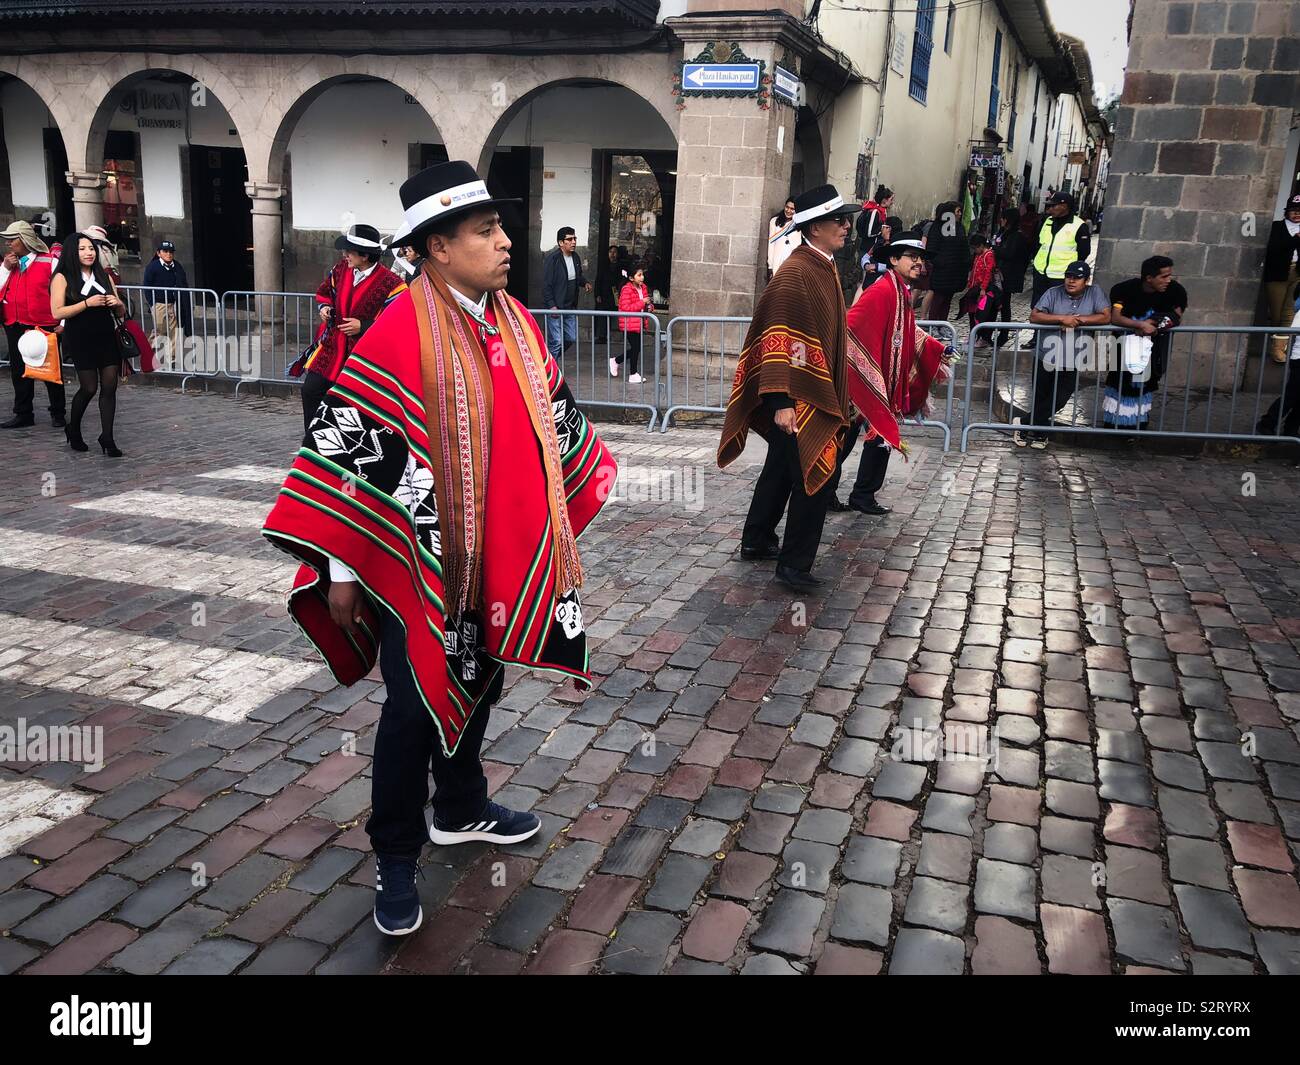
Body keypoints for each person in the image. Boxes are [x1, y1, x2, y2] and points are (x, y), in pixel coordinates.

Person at [261, 160, 616, 937]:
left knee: (480, 678)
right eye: (485, 231)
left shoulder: (513, 321)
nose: (503, 242)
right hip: (411, 558)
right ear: (435, 247)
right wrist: (345, 568)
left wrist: (567, 492)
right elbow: (351, 452)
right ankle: (394, 850)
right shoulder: (399, 327)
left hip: (491, 555)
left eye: (500, 227)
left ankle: (459, 806)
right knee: (412, 704)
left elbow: (550, 419)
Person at [718, 184, 858, 592]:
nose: (846, 226)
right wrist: (780, 402)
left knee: (779, 470)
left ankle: (757, 539)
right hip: (799, 398)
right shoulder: (797, 273)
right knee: (815, 478)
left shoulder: (822, 264)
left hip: (806, 392)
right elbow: (777, 341)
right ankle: (794, 566)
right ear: (814, 228)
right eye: (838, 220)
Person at [836, 232, 954, 514]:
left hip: (879, 378)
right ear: (893, 259)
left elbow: (908, 332)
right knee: (867, 436)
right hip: (866, 379)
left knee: (864, 437)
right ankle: (854, 494)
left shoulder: (899, 290)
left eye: (921, 259)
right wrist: (863, 363)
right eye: (912, 257)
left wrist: (936, 348)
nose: (919, 263)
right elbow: (849, 324)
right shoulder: (883, 289)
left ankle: (856, 494)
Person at [291, 223, 407, 431]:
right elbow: (325, 291)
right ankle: (312, 443)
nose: (345, 254)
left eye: (350, 251)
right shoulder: (340, 270)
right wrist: (325, 306)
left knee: (348, 405)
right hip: (331, 349)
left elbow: (401, 320)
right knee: (311, 391)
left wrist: (364, 326)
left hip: (362, 355)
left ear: (365, 255)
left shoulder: (392, 283)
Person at [1016, 260, 1111, 449]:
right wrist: (1061, 318)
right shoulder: (1053, 293)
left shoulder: (1095, 293)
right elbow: (1035, 316)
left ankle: (1023, 423)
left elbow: (1105, 316)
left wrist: (1078, 321)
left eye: (1077, 278)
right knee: (1041, 397)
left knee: (1059, 399)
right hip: (1046, 355)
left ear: (1086, 280)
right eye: (1068, 276)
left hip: (1073, 358)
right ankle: (1040, 435)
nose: (1071, 281)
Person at [49, 233, 128, 456]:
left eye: (91, 248)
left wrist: (117, 303)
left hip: (105, 335)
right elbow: (57, 311)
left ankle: (108, 437)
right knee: (89, 387)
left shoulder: (103, 276)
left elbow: (121, 311)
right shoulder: (63, 277)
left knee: (110, 386)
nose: (88, 253)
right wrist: (87, 303)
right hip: (80, 337)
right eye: (82, 249)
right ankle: (73, 428)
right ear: (73, 252)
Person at [1104, 255, 1187, 432]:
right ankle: (1113, 424)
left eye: (1169, 275)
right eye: (1163, 276)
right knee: (1120, 383)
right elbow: (1116, 317)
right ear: (1149, 278)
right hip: (1124, 347)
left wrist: (1156, 324)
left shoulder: (1176, 291)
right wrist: (1139, 324)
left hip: (1153, 350)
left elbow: (1176, 317)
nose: (1168, 280)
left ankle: (1137, 424)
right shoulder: (1124, 290)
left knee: (1144, 385)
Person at [0, 220, 65, 428]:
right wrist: (5, 268)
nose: (9, 244)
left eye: (13, 239)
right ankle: (23, 412)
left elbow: (64, 292)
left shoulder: (49, 262)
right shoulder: (9, 264)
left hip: (44, 323)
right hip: (15, 323)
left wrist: (64, 321)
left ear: (26, 240)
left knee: (50, 370)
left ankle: (58, 412)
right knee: (18, 369)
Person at [1030, 191, 1091, 309]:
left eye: (1053, 206)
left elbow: (1084, 252)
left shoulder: (1079, 225)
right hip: (1041, 273)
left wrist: (1071, 272)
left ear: (1064, 206)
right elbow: (1038, 244)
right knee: (1037, 307)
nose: (1050, 209)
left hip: (1061, 277)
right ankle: (1038, 328)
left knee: (1058, 308)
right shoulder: (1047, 221)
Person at [541, 226, 591, 359]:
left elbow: (577, 276)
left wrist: (584, 282)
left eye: (574, 238)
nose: (573, 242)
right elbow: (546, 285)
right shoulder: (553, 259)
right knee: (556, 341)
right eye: (569, 239)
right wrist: (552, 306)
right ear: (561, 243)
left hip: (570, 306)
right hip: (555, 308)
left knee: (571, 338)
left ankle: (550, 362)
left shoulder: (575, 257)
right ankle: (550, 372)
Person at [141, 239, 193, 366]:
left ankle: (173, 357)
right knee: (160, 329)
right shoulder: (153, 267)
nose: (169, 254)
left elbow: (183, 282)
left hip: (173, 303)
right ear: (159, 253)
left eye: (171, 252)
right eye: (165, 251)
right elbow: (147, 285)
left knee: (174, 330)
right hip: (159, 303)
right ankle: (149, 348)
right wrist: (152, 303)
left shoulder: (177, 266)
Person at [1263, 195, 1300, 363]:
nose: (1296, 214)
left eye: (1299, 211)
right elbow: (1274, 249)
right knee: (1276, 313)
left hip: (1298, 272)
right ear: (1287, 212)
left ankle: (1279, 350)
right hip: (1278, 274)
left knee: (1289, 313)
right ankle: (1274, 344)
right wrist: (1295, 240)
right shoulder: (1277, 227)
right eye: (1293, 211)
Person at [922, 200, 971, 323]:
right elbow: (932, 248)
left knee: (947, 300)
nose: (960, 214)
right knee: (938, 299)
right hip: (942, 271)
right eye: (958, 211)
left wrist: (965, 263)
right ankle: (933, 324)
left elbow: (963, 247)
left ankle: (942, 325)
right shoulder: (938, 227)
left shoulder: (959, 227)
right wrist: (941, 262)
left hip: (955, 272)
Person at [991, 207, 1031, 344]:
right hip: (999, 275)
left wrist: (993, 249)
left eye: (1002, 218)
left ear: (1007, 220)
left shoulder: (1017, 236)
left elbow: (1009, 254)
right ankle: (992, 333)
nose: (1000, 221)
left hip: (1007, 277)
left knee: (1004, 305)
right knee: (997, 304)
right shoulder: (1003, 233)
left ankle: (1003, 334)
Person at [614, 263, 653, 383]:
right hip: (629, 323)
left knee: (636, 348)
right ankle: (632, 373)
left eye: (642, 275)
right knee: (636, 348)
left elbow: (647, 302)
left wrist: (650, 306)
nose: (642, 277)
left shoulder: (644, 288)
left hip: (639, 322)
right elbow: (625, 307)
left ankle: (616, 361)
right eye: (639, 275)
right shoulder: (626, 289)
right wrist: (642, 302)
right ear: (631, 278)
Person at [853, 214, 904, 301]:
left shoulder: (896, 248)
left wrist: (876, 266)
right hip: (866, 284)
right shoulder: (879, 243)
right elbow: (866, 257)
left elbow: (895, 267)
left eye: (883, 227)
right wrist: (866, 265)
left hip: (880, 288)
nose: (881, 229)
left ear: (889, 229)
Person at [961, 233, 1000, 340]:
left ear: (982, 246)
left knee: (981, 314)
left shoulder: (988, 255)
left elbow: (988, 272)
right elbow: (974, 270)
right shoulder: (978, 256)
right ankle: (973, 334)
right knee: (972, 312)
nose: (974, 250)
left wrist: (983, 288)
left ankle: (981, 337)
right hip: (974, 287)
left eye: (975, 247)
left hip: (984, 289)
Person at [856, 185, 893, 261]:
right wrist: (882, 230)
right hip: (867, 249)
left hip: (874, 248)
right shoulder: (875, 212)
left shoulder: (883, 212)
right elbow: (869, 232)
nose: (892, 202)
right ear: (884, 200)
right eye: (891, 199)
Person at [767, 198, 800, 279]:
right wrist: (770, 266)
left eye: (792, 209)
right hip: (777, 259)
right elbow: (771, 244)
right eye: (787, 207)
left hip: (792, 260)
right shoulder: (775, 221)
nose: (788, 211)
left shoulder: (799, 223)